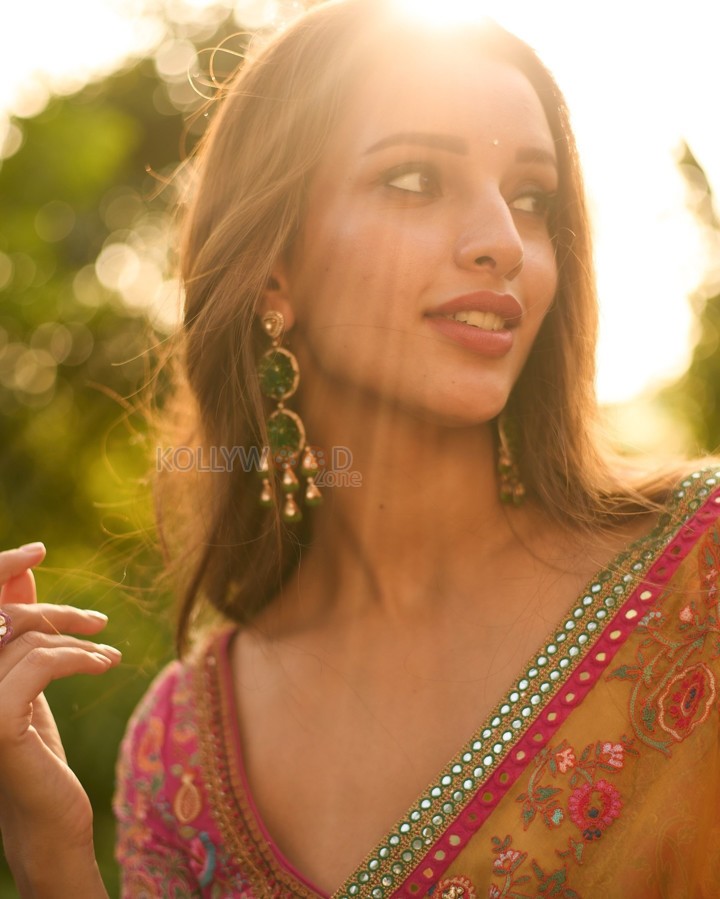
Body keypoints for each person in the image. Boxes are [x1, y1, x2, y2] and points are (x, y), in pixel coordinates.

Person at [1, 1, 719, 896]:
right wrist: (50, 850)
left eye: (531, 199)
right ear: (274, 272)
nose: (504, 241)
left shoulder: (703, 579)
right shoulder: (181, 747)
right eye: (415, 178)